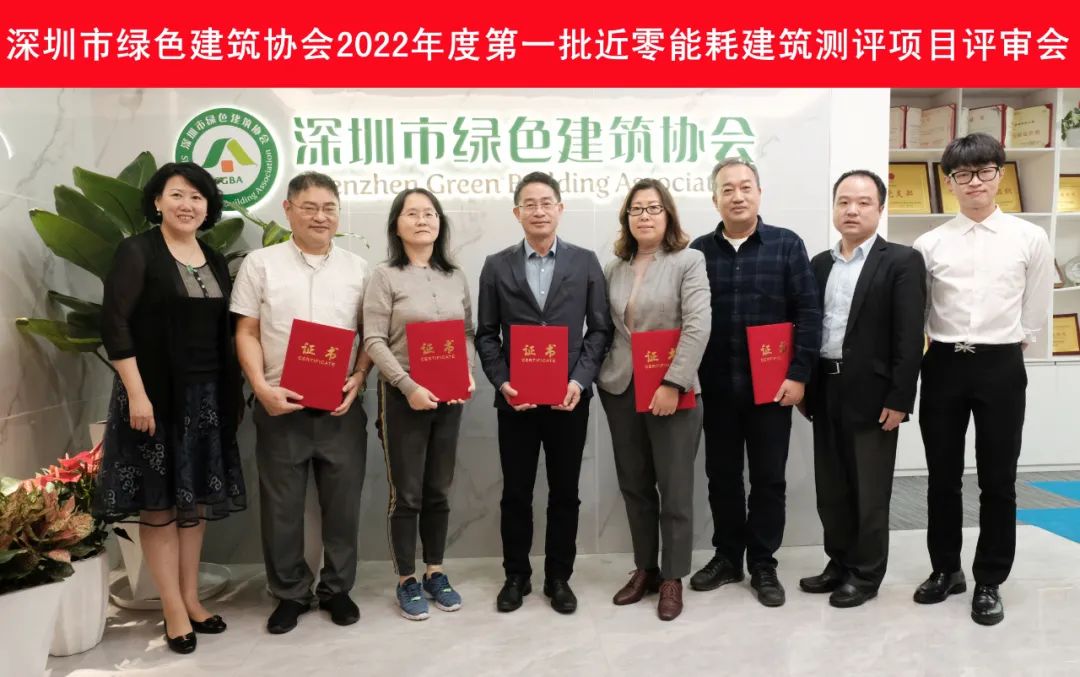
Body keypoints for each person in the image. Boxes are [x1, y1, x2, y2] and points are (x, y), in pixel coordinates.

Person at [96, 162, 246, 654]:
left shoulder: (214, 258)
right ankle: (173, 607)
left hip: (206, 397)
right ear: (157, 201)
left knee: (194, 502)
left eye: (197, 197)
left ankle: (191, 598)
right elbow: (115, 324)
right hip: (155, 397)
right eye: (177, 195)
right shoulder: (138, 251)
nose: (187, 205)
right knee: (160, 506)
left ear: (208, 207)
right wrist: (136, 394)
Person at [912, 133, 1054, 626]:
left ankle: (989, 579)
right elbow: (921, 310)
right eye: (963, 174)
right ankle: (945, 569)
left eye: (985, 171)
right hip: (943, 363)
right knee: (942, 476)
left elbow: (1036, 306)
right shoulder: (929, 243)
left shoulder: (1029, 238)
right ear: (949, 182)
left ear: (1000, 174)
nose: (975, 182)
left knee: (998, 479)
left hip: (1000, 365)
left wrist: (1014, 343)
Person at [231, 172, 371, 634]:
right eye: (309, 207)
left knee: (343, 506)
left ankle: (337, 590)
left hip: (339, 409)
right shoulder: (261, 264)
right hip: (280, 405)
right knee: (281, 509)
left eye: (329, 208)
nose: (320, 216)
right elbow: (246, 331)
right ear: (288, 210)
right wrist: (260, 387)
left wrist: (359, 377)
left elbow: (371, 335)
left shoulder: (358, 269)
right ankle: (290, 593)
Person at [475, 171, 613, 614]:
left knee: (565, 492)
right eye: (529, 204)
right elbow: (486, 334)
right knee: (515, 493)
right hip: (516, 400)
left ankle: (559, 577)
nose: (539, 210)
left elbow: (600, 330)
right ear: (517, 212)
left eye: (546, 202)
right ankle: (516, 575)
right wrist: (503, 382)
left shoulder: (585, 262)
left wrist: (579, 380)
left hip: (568, 398)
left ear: (560, 208)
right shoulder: (496, 265)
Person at [688, 157, 821, 607]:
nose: (737, 196)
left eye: (746, 187)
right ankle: (728, 557)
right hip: (716, 388)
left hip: (772, 390)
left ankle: (763, 562)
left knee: (768, 480)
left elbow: (808, 313)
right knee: (721, 477)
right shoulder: (698, 252)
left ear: (759, 193)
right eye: (727, 189)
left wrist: (799, 375)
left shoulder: (786, 245)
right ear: (715, 200)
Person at [799, 170, 926, 608]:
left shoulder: (902, 261)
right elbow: (809, 328)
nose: (851, 210)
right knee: (831, 487)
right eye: (844, 201)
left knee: (869, 491)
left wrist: (900, 398)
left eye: (863, 202)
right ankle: (839, 562)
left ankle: (866, 573)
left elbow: (909, 337)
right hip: (825, 388)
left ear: (880, 208)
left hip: (874, 396)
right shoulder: (820, 263)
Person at [597, 179, 710, 621]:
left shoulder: (689, 260)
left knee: (675, 488)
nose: (644, 216)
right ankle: (645, 568)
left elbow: (698, 324)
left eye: (653, 208)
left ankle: (672, 577)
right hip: (622, 388)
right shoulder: (615, 268)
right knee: (635, 485)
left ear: (668, 215)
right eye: (636, 209)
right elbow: (609, 329)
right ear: (626, 218)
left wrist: (673, 383)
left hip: (672, 391)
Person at [363, 188, 476, 621]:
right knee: (407, 494)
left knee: (438, 490)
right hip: (402, 396)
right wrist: (407, 385)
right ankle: (406, 579)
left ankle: (436, 572)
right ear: (397, 224)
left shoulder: (455, 275)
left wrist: (466, 371)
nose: (422, 220)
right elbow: (374, 339)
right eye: (412, 213)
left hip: (450, 395)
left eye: (430, 213)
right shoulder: (385, 276)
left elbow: (466, 333)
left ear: (439, 223)